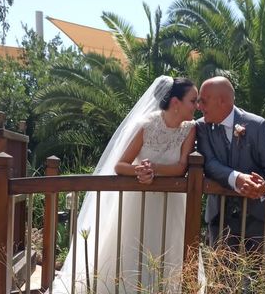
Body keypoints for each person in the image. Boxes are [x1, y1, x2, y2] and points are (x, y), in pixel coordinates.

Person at [53, 76, 197, 294]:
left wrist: (153, 169)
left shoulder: (189, 128)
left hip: (172, 205)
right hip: (137, 203)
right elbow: (120, 165)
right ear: (176, 103)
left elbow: (181, 167)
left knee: (168, 252)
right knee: (131, 250)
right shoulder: (146, 125)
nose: (197, 106)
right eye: (193, 101)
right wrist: (139, 171)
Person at [196, 76, 265, 253]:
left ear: (222, 101)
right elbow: (210, 164)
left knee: (258, 277)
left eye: (203, 101)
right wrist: (237, 178)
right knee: (221, 278)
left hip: (261, 217)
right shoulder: (201, 127)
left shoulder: (258, 125)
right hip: (221, 216)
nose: (199, 106)